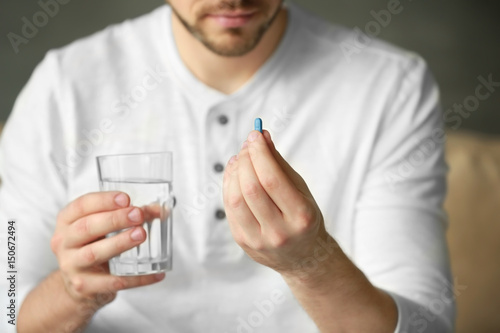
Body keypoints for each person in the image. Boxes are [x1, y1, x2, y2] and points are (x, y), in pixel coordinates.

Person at [0, 0, 455, 332]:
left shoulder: (390, 85)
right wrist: (73, 291)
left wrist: (309, 263)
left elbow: (427, 327)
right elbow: (6, 308)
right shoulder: (63, 85)